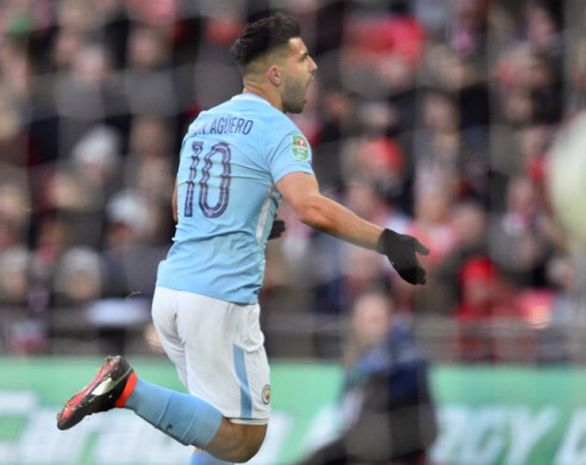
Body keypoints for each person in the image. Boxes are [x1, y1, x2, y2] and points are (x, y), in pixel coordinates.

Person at [55, 12, 429, 465]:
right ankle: (127, 388)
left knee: (213, 429)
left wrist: (250, 219)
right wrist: (388, 241)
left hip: (172, 291)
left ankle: (128, 390)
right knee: (243, 441)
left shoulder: (204, 123)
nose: (312, 67)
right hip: (220, 300)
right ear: (275, 72)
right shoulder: (280, 132)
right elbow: (310, 207)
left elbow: (181, 205)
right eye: (303, 57)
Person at [297, 290, 438, 465]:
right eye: (366, 320)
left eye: (377, 319)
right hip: (364, 440)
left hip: (399, 440)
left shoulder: (406, 356)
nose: (373, 327)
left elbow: (405, 400)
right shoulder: (359, 363)